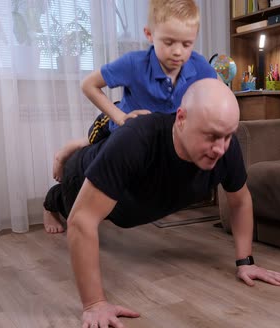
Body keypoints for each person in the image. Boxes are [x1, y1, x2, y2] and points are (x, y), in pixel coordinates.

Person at [43, 78, 280, 328]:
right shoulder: (138, 139)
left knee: (124, 212)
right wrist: (94, 304)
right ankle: (54, 195)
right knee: (71, 205)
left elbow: (240, 201)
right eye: (212, 136)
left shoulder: (226, 148)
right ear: (181, 119)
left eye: (227, 136)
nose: (220, 148)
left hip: (136, 203)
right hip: (82, 173)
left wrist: (245, 261)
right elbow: (82, 220)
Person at [44, 0, 218, 233]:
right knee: (97, 142)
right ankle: (69, 151)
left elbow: (213, 99)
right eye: (168, 42)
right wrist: (119, 117)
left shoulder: (200, 68)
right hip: (120, 122)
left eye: (187, 44)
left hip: (155, 133)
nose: (178, 51)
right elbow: (89, 85)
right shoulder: (135, 63)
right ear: (149, 34)